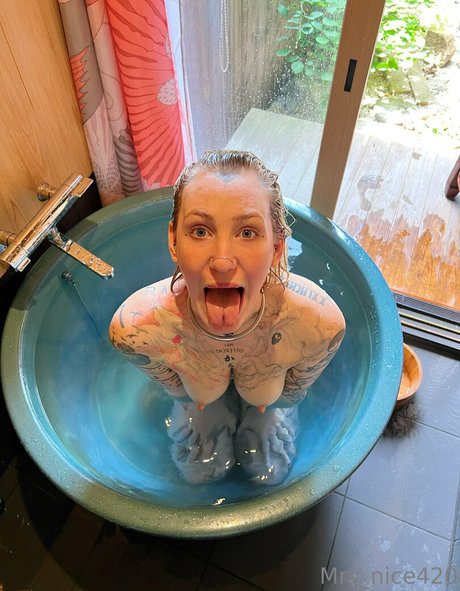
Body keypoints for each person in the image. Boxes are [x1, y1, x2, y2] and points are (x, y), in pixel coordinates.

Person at [109, 150, 345, 485]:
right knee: (198, 474)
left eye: (247, 233)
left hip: (270, 404)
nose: (222, 262)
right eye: (200, 231)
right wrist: (197, 403)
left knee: (268, 476)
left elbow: (294, 391)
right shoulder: (137, 329)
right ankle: (209, 409)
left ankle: (262, 414)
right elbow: (174, 388)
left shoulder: (318, 324)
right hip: (198, 402)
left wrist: (271, 406)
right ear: (173, 242)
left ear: (277, 247)